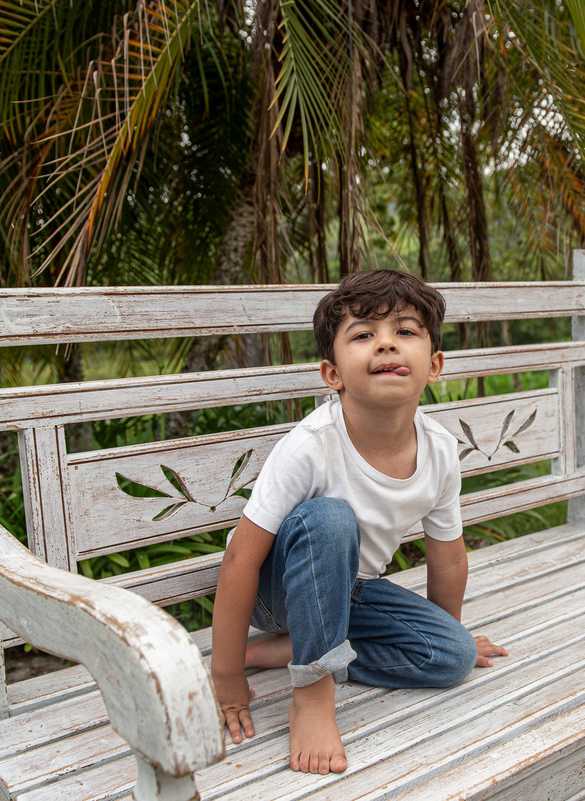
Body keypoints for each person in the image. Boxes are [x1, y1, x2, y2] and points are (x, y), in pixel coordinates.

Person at [210, 269, 508, 775]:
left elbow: (448, 558)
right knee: (329, 518)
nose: (387, 344)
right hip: (274, 592)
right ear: (333, 374)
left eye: (405, 331)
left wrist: (445, 629)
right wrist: (225, 675)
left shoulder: (439, 450)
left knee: (452, 657)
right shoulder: (312, 446)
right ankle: (312, 689)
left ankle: (290, 651)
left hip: (349, 593)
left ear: (434, 365)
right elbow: (241, 557)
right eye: (364, 335)